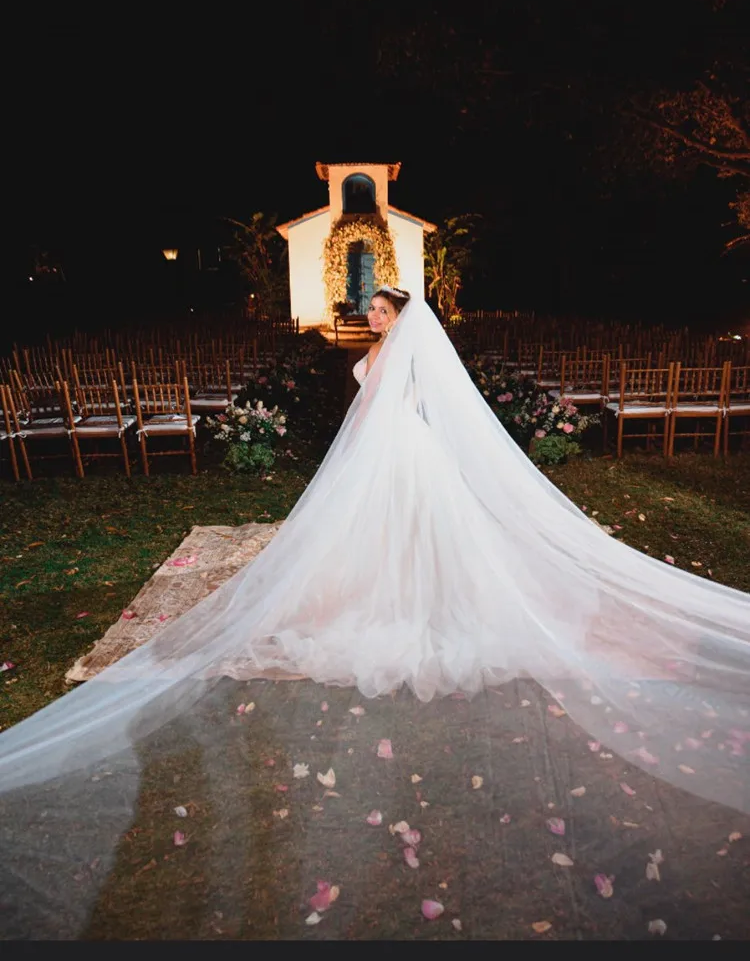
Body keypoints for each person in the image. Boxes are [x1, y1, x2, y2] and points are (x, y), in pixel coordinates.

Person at [0, 287, 748, 939]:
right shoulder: (400, 351)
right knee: (399, 541)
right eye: (373, 311)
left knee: (391, 538)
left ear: (399, 314)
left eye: (381, 310)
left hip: (393, 457)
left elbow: (372, 411)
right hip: (404, 453)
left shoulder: (395, 352)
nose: (372, 318)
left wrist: (346, 460)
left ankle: (409, 600)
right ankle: (407, 590)